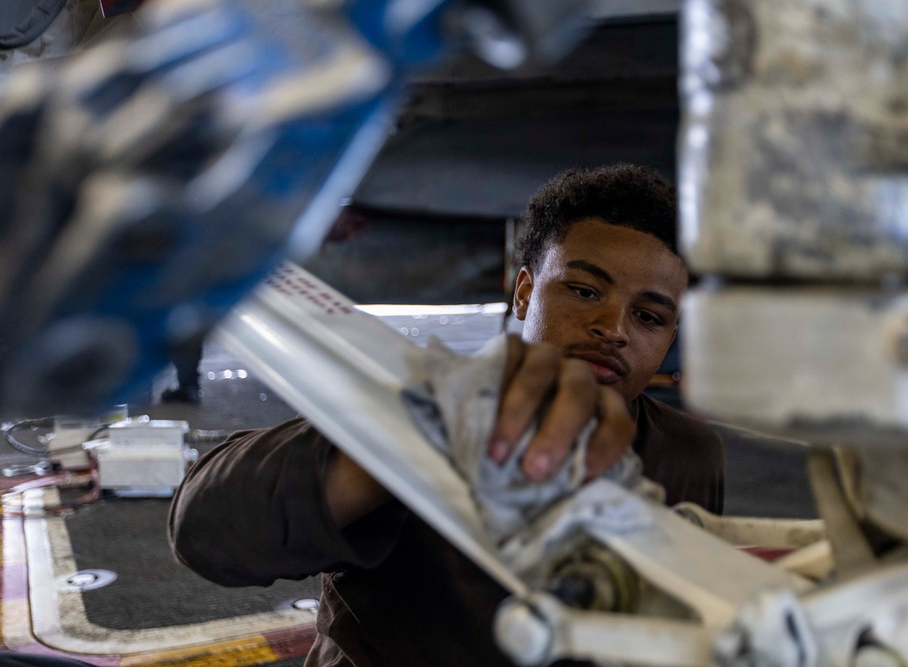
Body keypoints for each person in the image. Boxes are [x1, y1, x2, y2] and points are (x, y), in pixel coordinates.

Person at [167, 163, 724, 667]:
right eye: (582, 290)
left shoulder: (687, 455)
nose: (614, 328)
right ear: (525, 294)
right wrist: (419, 437)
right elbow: (205, 530)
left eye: (649, 317)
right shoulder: (431, 407)